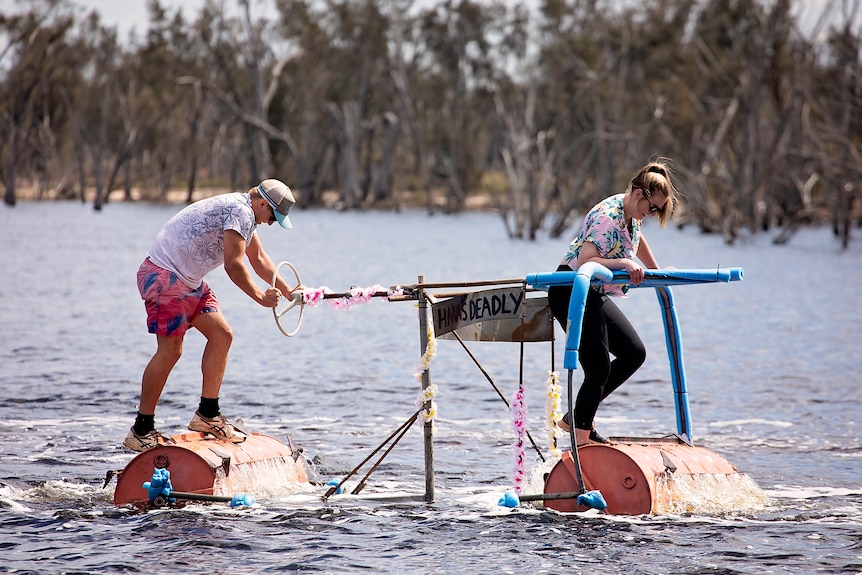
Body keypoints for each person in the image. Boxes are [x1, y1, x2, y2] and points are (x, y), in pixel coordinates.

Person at [124, 179, 301, 452]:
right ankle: (141, 430)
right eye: (273, 216)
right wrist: (260, 297)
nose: (272, 222)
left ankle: (207, 415)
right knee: (171, 351)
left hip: (188, 282)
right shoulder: (240, 211)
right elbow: (234, 265)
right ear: (263, 203)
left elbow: (260, 259)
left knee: (222, 335)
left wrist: (289, 292)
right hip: (164, 276)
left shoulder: (246, 214)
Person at [547, 160, 677, 447]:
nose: (651, 214)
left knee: (634, 353)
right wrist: (624, 262)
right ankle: (582, 440)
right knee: (598, 368)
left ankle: (577, 418)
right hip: (571, 288)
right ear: (638, 193)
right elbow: (585, 262)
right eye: (652, 207)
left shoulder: (632, 212)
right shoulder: (608, 216)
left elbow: (637, 238)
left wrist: (655, 272)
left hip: (592, 290)